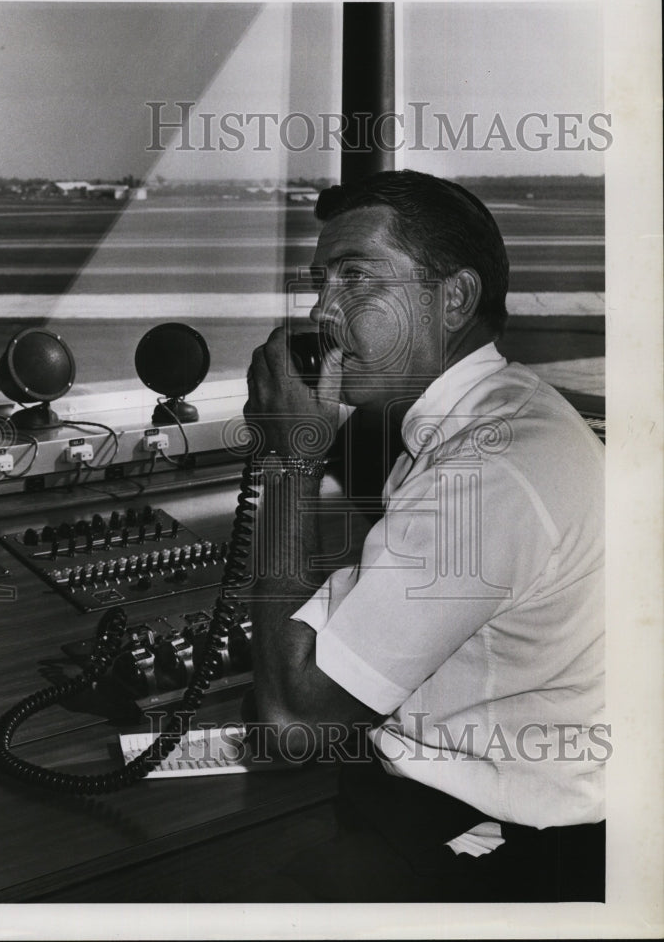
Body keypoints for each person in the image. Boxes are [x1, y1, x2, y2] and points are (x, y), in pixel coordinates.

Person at [243, 169, 605, 901]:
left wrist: (289, 458)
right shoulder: (499, 413)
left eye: (355, 279)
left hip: (498, 843)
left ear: (454, 299)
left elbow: (291, 723)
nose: (323, 312)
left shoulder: (486, 468)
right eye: (320, 283)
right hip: (478, 801)